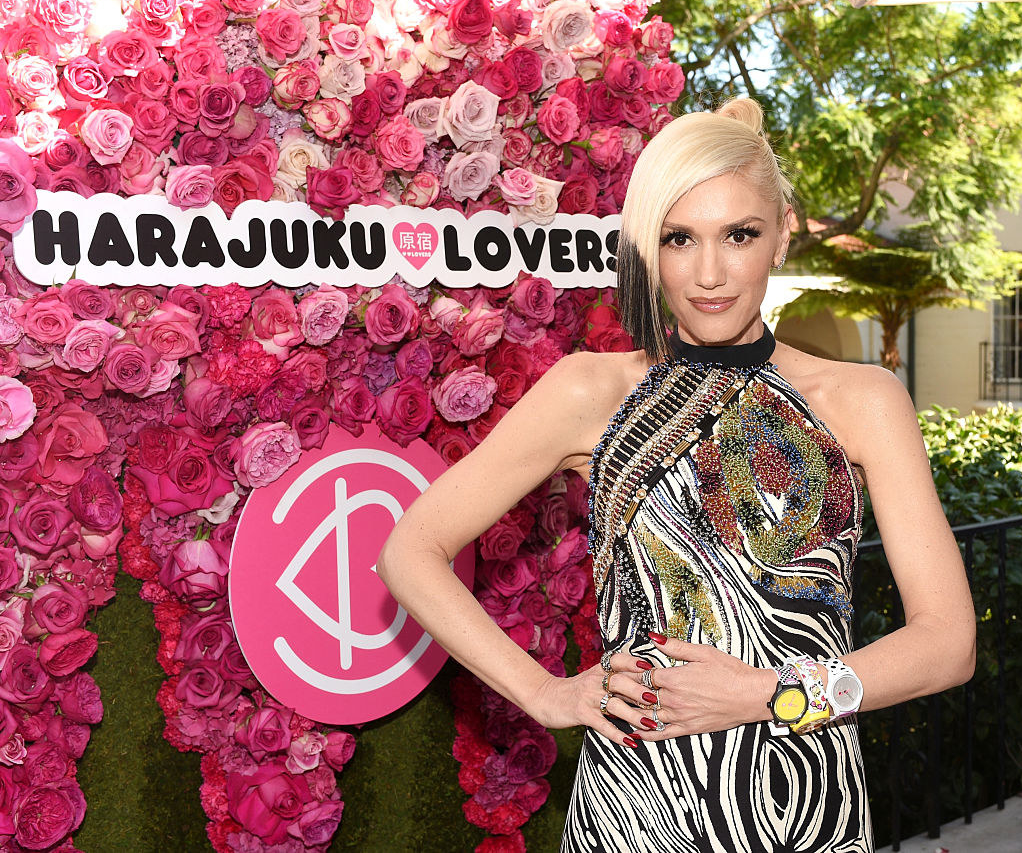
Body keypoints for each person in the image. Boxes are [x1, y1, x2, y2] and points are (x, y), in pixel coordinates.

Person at [377, 98, 976, 852]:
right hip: (636, 811)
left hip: (808, 809)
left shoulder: (864, 402)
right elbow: (409, 551)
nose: (710, 272)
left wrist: (770, 694)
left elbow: (947, 644)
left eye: (740, 235)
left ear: (783, 232)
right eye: (678, 238)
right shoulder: (588, 392)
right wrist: (545, 692)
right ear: (645, 247)